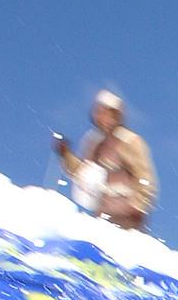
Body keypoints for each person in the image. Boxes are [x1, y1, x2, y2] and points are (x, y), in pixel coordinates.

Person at [53, 91, 158, 231]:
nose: (101, 117)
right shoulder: (93, 142)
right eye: (98, 112)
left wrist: (139, 207)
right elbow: (83, 173)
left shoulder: (129, 141)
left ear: (116, 115)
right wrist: (65, 155)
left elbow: (145, 177)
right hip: (102, 213)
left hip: (128, 216)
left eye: (106, 113)